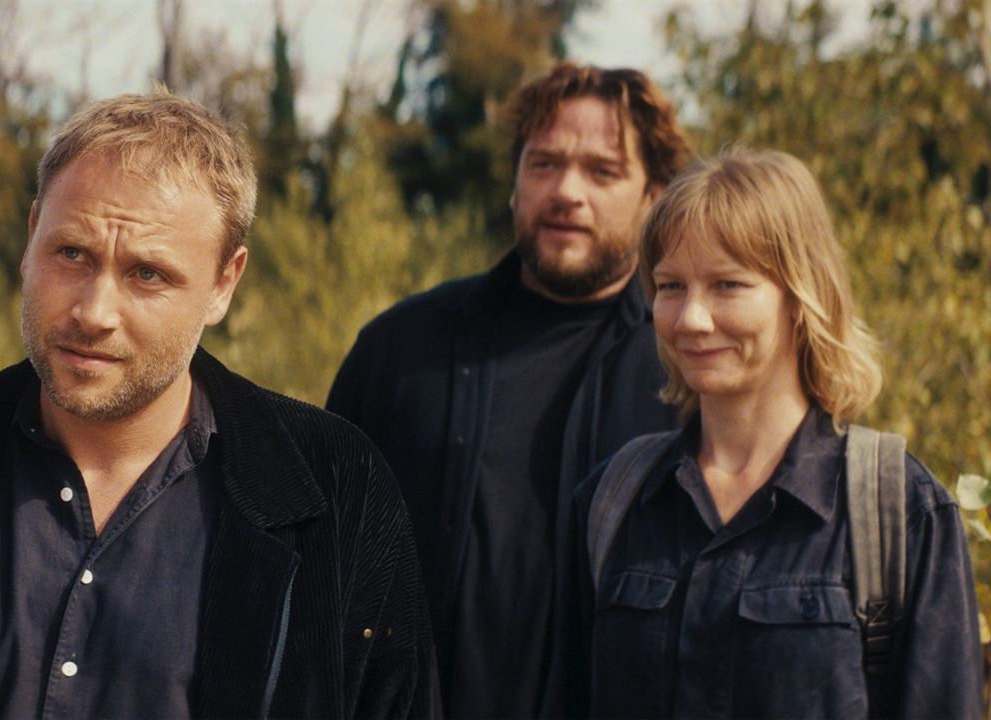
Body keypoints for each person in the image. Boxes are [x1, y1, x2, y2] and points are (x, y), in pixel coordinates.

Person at [0, 92, 438, 719]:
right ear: (31, 236)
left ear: (223, 283)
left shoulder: (336, 491)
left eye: (147, 274)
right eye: (72, 253)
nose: (93, 312)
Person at [326, 62, 692, 718]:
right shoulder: (402, 351)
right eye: (544, 163)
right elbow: (320, 571)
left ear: (655, 196)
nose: (566, 192)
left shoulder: (688, 373)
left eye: (602, 172)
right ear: (516, 182)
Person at [572, 149, 983, 717]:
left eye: (728, 285)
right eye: (670, 286)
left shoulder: (902, 515)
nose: (691, 318)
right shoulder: (610, 505)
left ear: (801, 297)